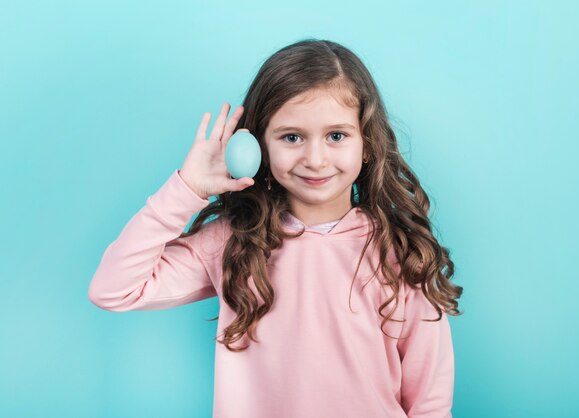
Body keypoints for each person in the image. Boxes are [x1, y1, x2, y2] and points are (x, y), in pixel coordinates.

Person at [88, 38, 464, 418]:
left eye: (336, 136)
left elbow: (429, 403)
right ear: (259, 148)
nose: (315, 159)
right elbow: (114, 289)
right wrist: (187, 189)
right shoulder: (232, 241)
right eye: (292, 137)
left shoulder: (400, 250)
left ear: (366, 144)